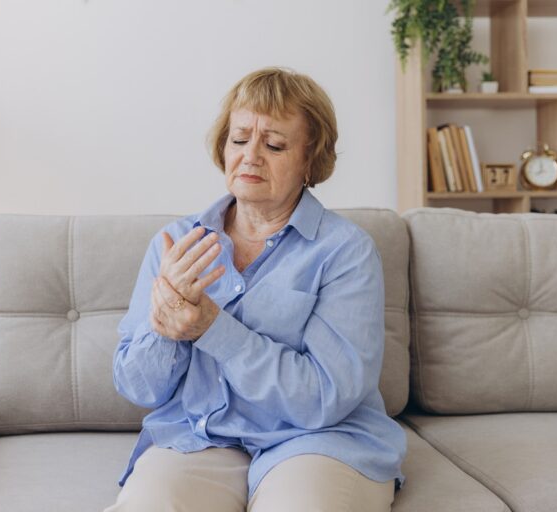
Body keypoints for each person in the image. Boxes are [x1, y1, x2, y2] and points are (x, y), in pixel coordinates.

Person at [105, 67, 406, 512]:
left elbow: (325, 397)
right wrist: (168, 328)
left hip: (317, 440)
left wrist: (210, 327)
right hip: (202, 437)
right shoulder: (177, 244)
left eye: (275, 144)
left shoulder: (345, 252)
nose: (250, 156)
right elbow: (137, 386)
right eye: (240, 138)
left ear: (309, 159)